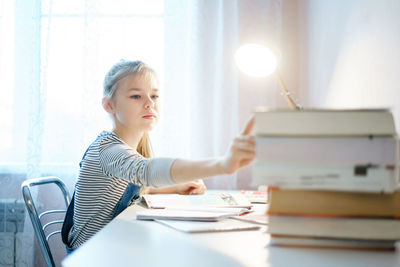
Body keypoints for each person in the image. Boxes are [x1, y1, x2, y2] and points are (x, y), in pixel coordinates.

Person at [62, 60, 255, 252]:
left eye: (154, 96)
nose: (149, 104)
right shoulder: (107, 149)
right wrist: (222, 164)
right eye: (136, 96)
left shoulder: (127, 149)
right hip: (91, 254)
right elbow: (147, 171)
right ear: (109, 105)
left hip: (112, 247)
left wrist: (177, 187)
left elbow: (132, 190)